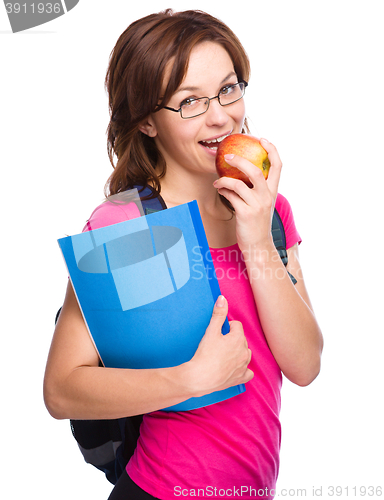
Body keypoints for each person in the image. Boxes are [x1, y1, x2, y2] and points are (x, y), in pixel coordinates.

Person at [44, 9, 323, 500]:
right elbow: (63, 389)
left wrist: (255, 236)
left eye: (228, 89)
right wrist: (190, 380)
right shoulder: (129, 226)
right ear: (148, 122)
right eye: (189, 101)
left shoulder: (269, 210)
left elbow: (304, 365)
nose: (220, 116)